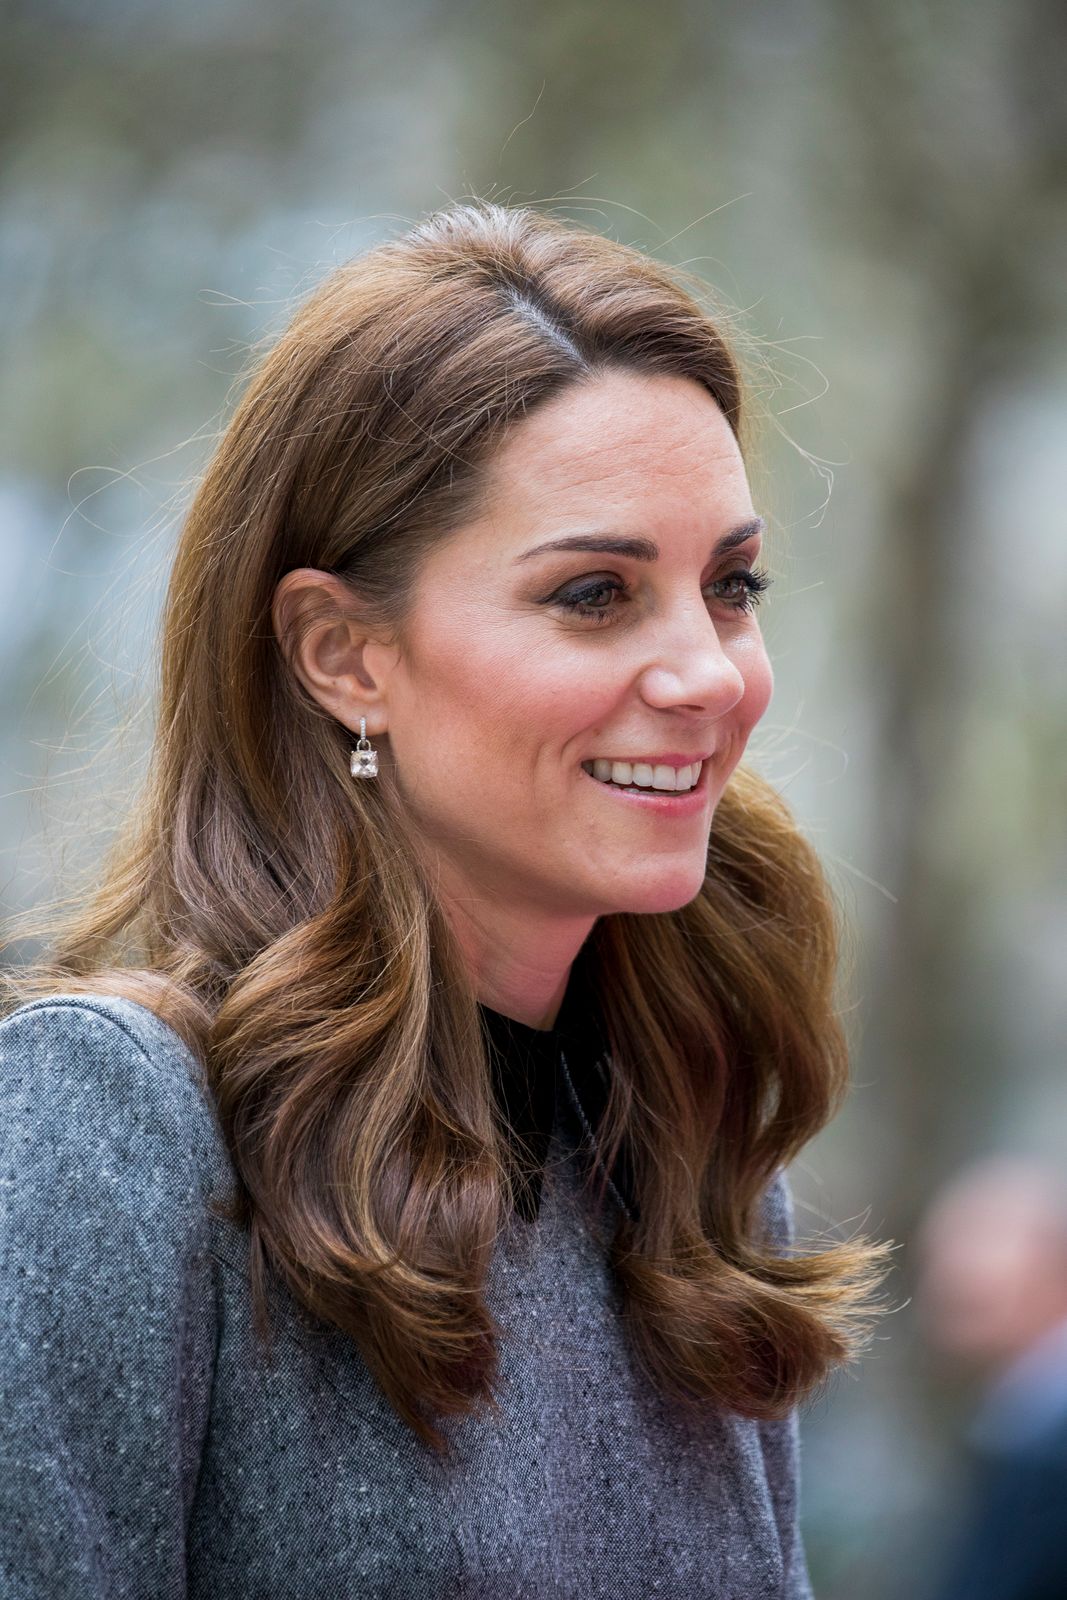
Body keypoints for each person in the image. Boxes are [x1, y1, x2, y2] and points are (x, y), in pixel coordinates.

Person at [0, 199, 892, 1598]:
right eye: (594, 593)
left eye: (729, 584)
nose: (710, 673)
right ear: (343, 655)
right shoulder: (119, 1132)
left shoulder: (695, 1163)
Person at [915, 1157, 1067, 1600]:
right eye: (935, 1252)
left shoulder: (1047, 1444)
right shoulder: (1021, 1419)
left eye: (975, 1243)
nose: (944, 1275)